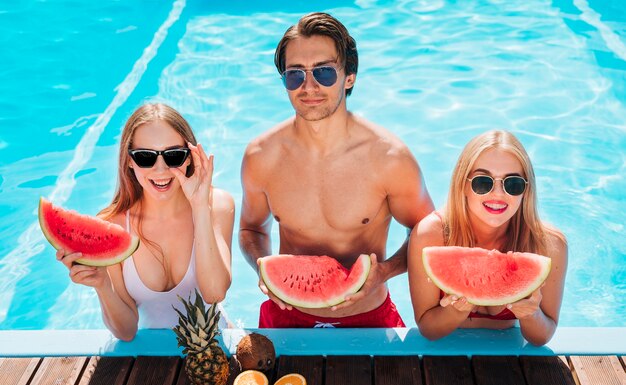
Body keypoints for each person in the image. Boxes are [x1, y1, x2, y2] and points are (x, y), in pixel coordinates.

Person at [239, 12, 434, 328]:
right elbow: (251, 229)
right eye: (295, 75)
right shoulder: (261, 156)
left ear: (349, 77)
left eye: (324, 72)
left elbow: (429, 233)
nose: (309, 85)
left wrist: (384, 272)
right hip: (284, 316)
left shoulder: (389, 157)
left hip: (369, 317)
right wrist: (262, 266)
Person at [56, 103, 234, 341]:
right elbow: (126, 331)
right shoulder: (113, 226)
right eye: (145, 157)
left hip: (217, 348)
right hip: (149, 364)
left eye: (173, 156)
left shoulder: (218, 205)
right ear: (129, 161)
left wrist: (200, 206)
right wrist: (102, 285)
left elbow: (215, 293)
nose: (161, 170)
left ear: (190, 157)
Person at [408, 129, 568, 345]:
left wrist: (531, 314)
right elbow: (428, 328)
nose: (498, 194)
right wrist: (455, 312)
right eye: (483, 182)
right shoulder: (431, 235)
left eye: (513, 184)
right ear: (463, 185)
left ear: (525, 191)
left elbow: (542, 337)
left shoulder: (549, 245)